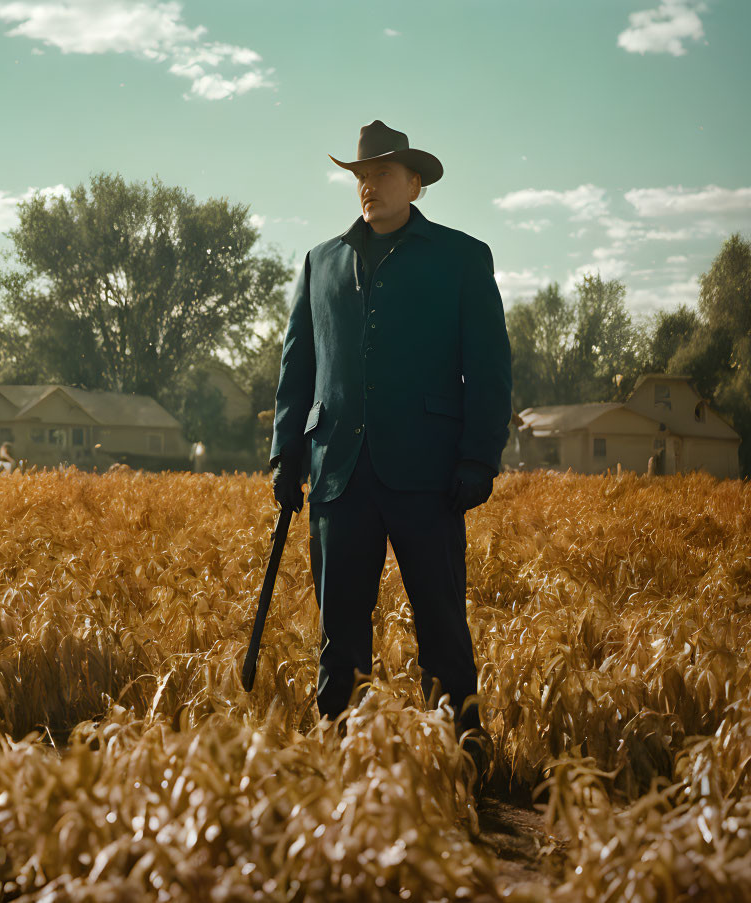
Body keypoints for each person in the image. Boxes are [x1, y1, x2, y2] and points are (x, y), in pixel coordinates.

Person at [270, 120, 512, 768]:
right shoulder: (319, 261)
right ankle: (340, 758)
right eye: (359, 175)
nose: (367, 185)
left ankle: (460, 760)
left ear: (415, 182)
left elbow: (487, 367)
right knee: (338, 636)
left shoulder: (461, 257)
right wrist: (282, 452)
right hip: (335, 476)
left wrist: (478, 456)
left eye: (380, 173)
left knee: (441, 629)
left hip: (429, 476)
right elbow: (298, 366)